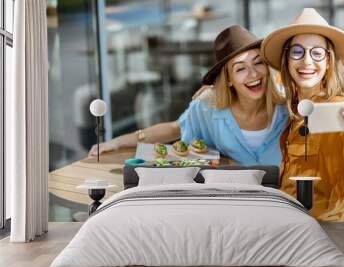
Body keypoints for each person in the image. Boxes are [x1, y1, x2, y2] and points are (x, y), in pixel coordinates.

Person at [261, 8, 344, 221]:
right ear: (287, 60)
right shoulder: (294, 105)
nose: (306, 61)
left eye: (317, 52)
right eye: (297, 51)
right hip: (288, 226)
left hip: (323, 233)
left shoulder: (339, 112)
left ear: (328, 61)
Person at [89, 25, 288, 166]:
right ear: (228, 80)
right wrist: (117, 141)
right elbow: (173, 129)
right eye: (240, 69)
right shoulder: (208, 107)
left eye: (258, 62)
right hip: (229, 204)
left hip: (285, 203)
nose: (253, 74)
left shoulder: (289, 107)